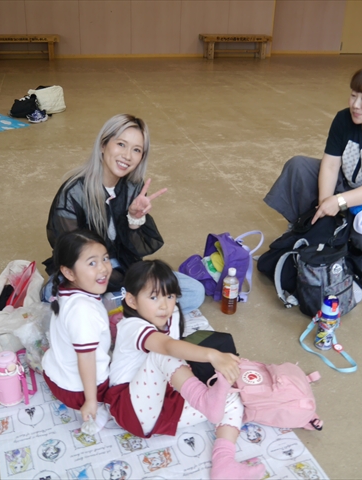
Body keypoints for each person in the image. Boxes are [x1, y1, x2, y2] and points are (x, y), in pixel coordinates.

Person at [104, 260, 265, 480]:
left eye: (170, 296)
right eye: (154, 297)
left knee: (231, 398)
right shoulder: (132, 326)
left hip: (161, 408)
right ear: (132, 300)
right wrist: (212, 355)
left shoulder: (172, 316)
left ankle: (225, 464)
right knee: (163, 353)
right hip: (129, 408)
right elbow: (168, 347)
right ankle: (204, 399)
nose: (164, 305)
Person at [44, 113, 205, 314]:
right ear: (103, 145)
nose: (127, 156)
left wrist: (134, 220)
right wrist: (129, 285)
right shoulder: (73, 193)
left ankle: (116, 306)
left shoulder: (133, 187)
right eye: (121, 144)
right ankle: (128, 305)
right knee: (60, 299)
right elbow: (71, 254)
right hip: (87, 271)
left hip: (123, 266)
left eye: (136, 150)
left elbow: (135, 252)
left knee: (194, 291)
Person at [264, 65, 362, 254]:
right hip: (346, 183)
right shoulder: (344, 119)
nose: (355, 105)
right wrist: (325, 204)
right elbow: (331, 165)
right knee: (298, 166)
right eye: (353, 95)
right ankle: (312, 226)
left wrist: (339, 201)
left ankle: (343, 230)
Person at [41, 230, 113, 432]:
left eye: (105, 258)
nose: (103, 268)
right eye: (92, 263)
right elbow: (86, 357)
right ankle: (100, 409)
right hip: (78, 392)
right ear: (69, 272)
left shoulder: (66, 290)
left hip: (55, 375)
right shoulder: (83, 310)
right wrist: (91, 401)